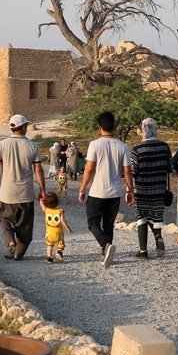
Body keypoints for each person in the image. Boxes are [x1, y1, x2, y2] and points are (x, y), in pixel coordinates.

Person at [78, 111, 135, 268]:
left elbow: (89, 169)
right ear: (114, 126)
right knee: (108, 224)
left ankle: (105, 245)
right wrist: (130, 190)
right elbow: (127, 171)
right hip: (115, 192)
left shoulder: (95, 145)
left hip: (97, 191)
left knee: (92, 222)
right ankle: (106, 254)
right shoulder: (123, 146)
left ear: (99, 127)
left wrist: (82, 188)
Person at [0, 114, 45, 261]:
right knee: (25, 227)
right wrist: (42, 190)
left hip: (7, 193)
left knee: (5, 219)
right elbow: (38, 170)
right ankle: (18, 254)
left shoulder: (2, 144)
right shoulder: (33, 146)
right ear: (24, 127)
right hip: (26, 193)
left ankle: (10, 242)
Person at [131, 118, 172, 259]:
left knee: (142, 217)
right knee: (156, 217)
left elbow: (133, 171)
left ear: (143, 129)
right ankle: (158, 236)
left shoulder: (138, 149)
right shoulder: (165, 147)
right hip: (159, 190)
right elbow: (170, 168)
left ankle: (143, 251)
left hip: (141, 190)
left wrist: (129, 190)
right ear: (155, 129)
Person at [41, 191, 72, 263]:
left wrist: (41, 198)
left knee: (49, 245)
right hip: (58, 232)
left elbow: (41, 203)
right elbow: (62, 220)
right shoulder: (60, 211)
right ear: (57, 201)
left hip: (49, 233)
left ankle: (49, 257)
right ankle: (59, 252)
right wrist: (68, 228)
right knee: (60, 243)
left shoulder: (46, 210)